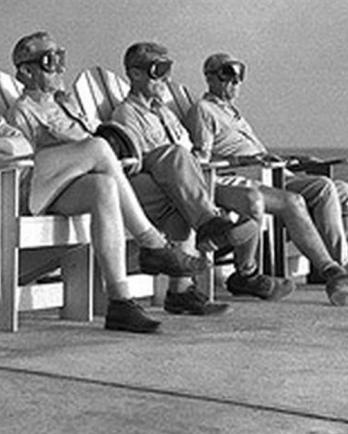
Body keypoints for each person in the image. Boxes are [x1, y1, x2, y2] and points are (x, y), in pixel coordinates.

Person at [0, 27, 205, 334]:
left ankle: (120, 303)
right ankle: (152, 243)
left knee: (102, 187)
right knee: (98, 148)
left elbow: (21, 143)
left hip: (23, 183)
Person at [6, 32, 224, 317]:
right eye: (50, 61)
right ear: (26, 71)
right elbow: (29, 167)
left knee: (175, 195)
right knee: (101, 160)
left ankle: (177, 291)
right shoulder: (22, 112)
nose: (60, 67)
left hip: (104, 178)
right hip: (56, 190)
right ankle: (153, 245)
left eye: (61, 58)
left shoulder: (67, 104)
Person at [185, 52, 348, 305]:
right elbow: (201, 159)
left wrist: (294, 158)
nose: (235, 83)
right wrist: (244, 161)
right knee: (323, 188)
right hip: (252, 176)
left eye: (239, 77)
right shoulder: (204, 110)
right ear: (209, 78)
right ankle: (341, 273)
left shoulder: (232, 112)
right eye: (227, 76)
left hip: (274, 171)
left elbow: (256, 151)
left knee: (343, 190)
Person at [112, 42, 294, 303]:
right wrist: (178, 159)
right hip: (149, 187)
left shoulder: (166, 113)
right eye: (158, 70)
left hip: (189, 184)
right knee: (177, 165)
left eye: (168, 70)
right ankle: (210, 227)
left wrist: (236, 159)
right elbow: (136, 162)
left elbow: (196, 156)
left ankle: (186, 290)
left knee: (192, 201)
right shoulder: (126, 114)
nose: (166, 78)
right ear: (135, 73)